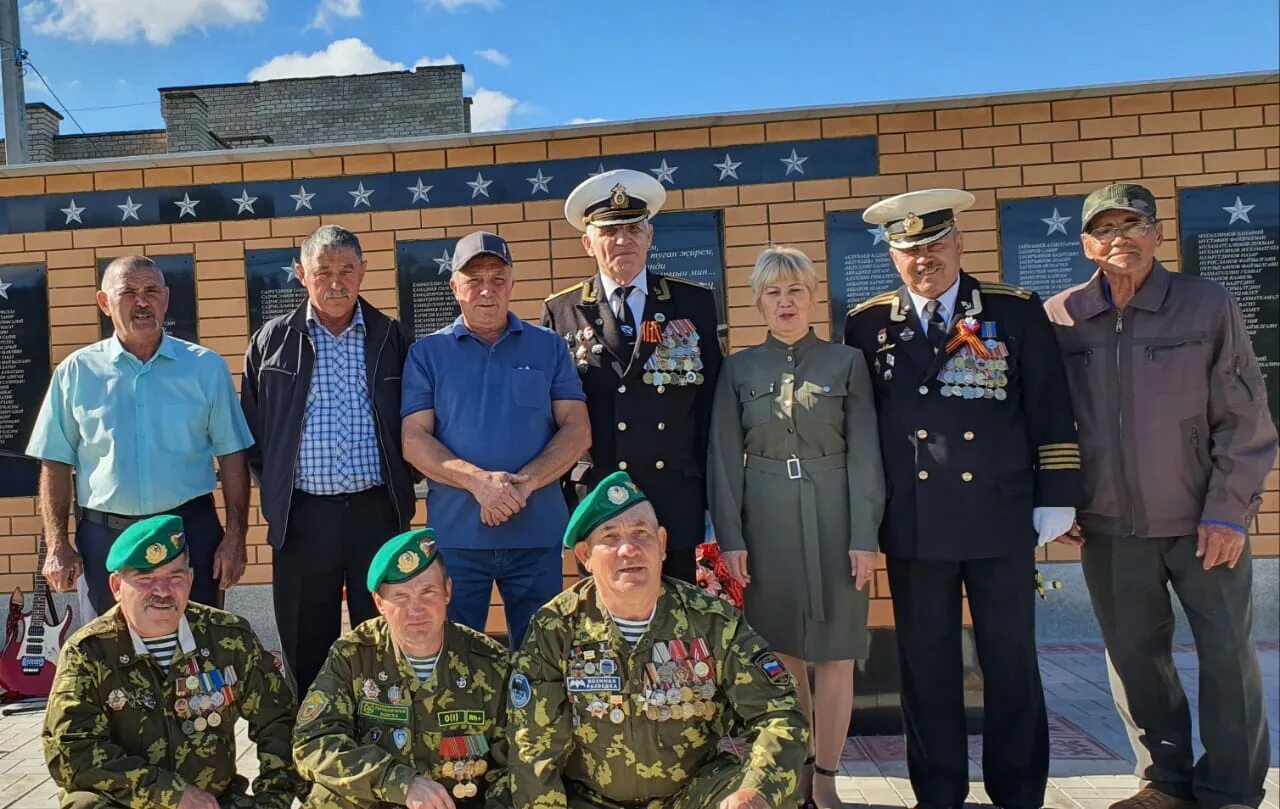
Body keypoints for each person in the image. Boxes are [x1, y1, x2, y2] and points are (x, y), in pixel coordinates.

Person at [843, 189, 1081, 809]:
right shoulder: (868, 323)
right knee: (926, 668)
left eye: (934, 244)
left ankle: (1019, 790)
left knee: (1010, 662)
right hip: (915, 522)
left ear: (958, 244)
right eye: (910, 249)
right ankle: (939, 792)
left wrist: (1056, 494)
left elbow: (1050, 407)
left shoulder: (1014, 309)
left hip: (999, 514)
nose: (925, 258)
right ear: (893, 256)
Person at [1044, 183, 1277, 809]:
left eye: (1134, 224)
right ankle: (1163, 783)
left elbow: (1245, 417)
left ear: (1156, 234)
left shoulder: (1206, 305)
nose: (1120, 237)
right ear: (1087, 243)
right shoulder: (1062, 316)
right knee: (1134, 661)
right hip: (1109, 527)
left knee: (1227, 657)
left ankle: (1230, 788)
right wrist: (1058, 503)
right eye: (1106, 228)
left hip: (1203, 522)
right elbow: (1045, 422)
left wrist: (1229, 511)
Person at [508, 471, 809, 809]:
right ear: (584, 557)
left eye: (641, 533)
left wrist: (755, 791)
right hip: (589, 799)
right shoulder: (555, 628)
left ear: (662, 544)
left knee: (768, 798)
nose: (629, 549)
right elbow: (532, 747)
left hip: (692, 795)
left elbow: (779, 713)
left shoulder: (711, 621)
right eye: (610, 537)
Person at [708, 246, 884, 808]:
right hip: (767, 516)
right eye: (773, 293)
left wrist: (864, 537)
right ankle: (797, 771)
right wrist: (731, 540)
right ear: (758, 302)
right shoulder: (738, 369)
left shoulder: (846, 363)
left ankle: (828, 779)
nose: (785, 302)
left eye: (795, 291)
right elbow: (721, 460)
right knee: (782, 653)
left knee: (834, 654)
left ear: (812, 296)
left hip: (835, 513)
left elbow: (865, 456)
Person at [241, 224, 417, 696]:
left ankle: (383, 740)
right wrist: (280, 490)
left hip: (376, 512)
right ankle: (311, 745)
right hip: (302, 517)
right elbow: (254, 437)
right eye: (323, 271)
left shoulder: (393, 339)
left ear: (363, 272)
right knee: (304, 640)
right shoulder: (270, 343)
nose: (335, 282)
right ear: (301, 274)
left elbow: (419, 420)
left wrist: (401, 481)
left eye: (346, 270)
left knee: (381, 637)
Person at [27, 255, 253, 614]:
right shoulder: (76, 373)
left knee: (193, 651)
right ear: (104, 303)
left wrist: (236, 537)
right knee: (109, 654)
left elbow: (232, 456)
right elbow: (54, 462)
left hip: (189, 533)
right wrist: (57, 543)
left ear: (165, 298)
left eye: (150, 291)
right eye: (128, 293)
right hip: (105, 539)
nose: (142, 302)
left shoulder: (205, 368)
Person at [401, 230, 591, 649]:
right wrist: (479, 484)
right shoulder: (427, 353)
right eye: (474, 279)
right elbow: (414, 439)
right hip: (457, 536)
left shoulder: (549, 348)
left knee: (542, 653)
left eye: (498, 278)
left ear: (512, 283)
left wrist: (524, 484)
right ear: (454, 287)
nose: (487, 290)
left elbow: (577, 428)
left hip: (536, 534)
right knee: (453, 654)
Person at [42, 515, 300, 809]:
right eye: (145, 579)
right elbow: (71, 752)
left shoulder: (228, 637)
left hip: (213, 801)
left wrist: (272, 801)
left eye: (174, 577)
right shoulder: (88, 652)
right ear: (116, 586)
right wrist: (169, 794)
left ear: (190, 579)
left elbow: (279, 722)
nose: (163, 592)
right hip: (126, 802)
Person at [541, 169, 724, 582]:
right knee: (604, 620)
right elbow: (553, 414)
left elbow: (711, 404)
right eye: (609, 231)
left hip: (673, 494)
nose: (622, 240)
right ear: (588, 242)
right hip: (598, 494)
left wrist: (715, 497)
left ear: (650, 237)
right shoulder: (562, 311)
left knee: (676, 617)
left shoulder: (691, 302)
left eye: (632, 229)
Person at [293, 528, 512, 808]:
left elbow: (516, 763)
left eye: (427, 592)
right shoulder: (353, 656)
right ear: (379, 603)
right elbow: (312, 741)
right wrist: (398, 782)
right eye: (401, 597)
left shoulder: (491, 664)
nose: (416, 609)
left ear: (447, 591)